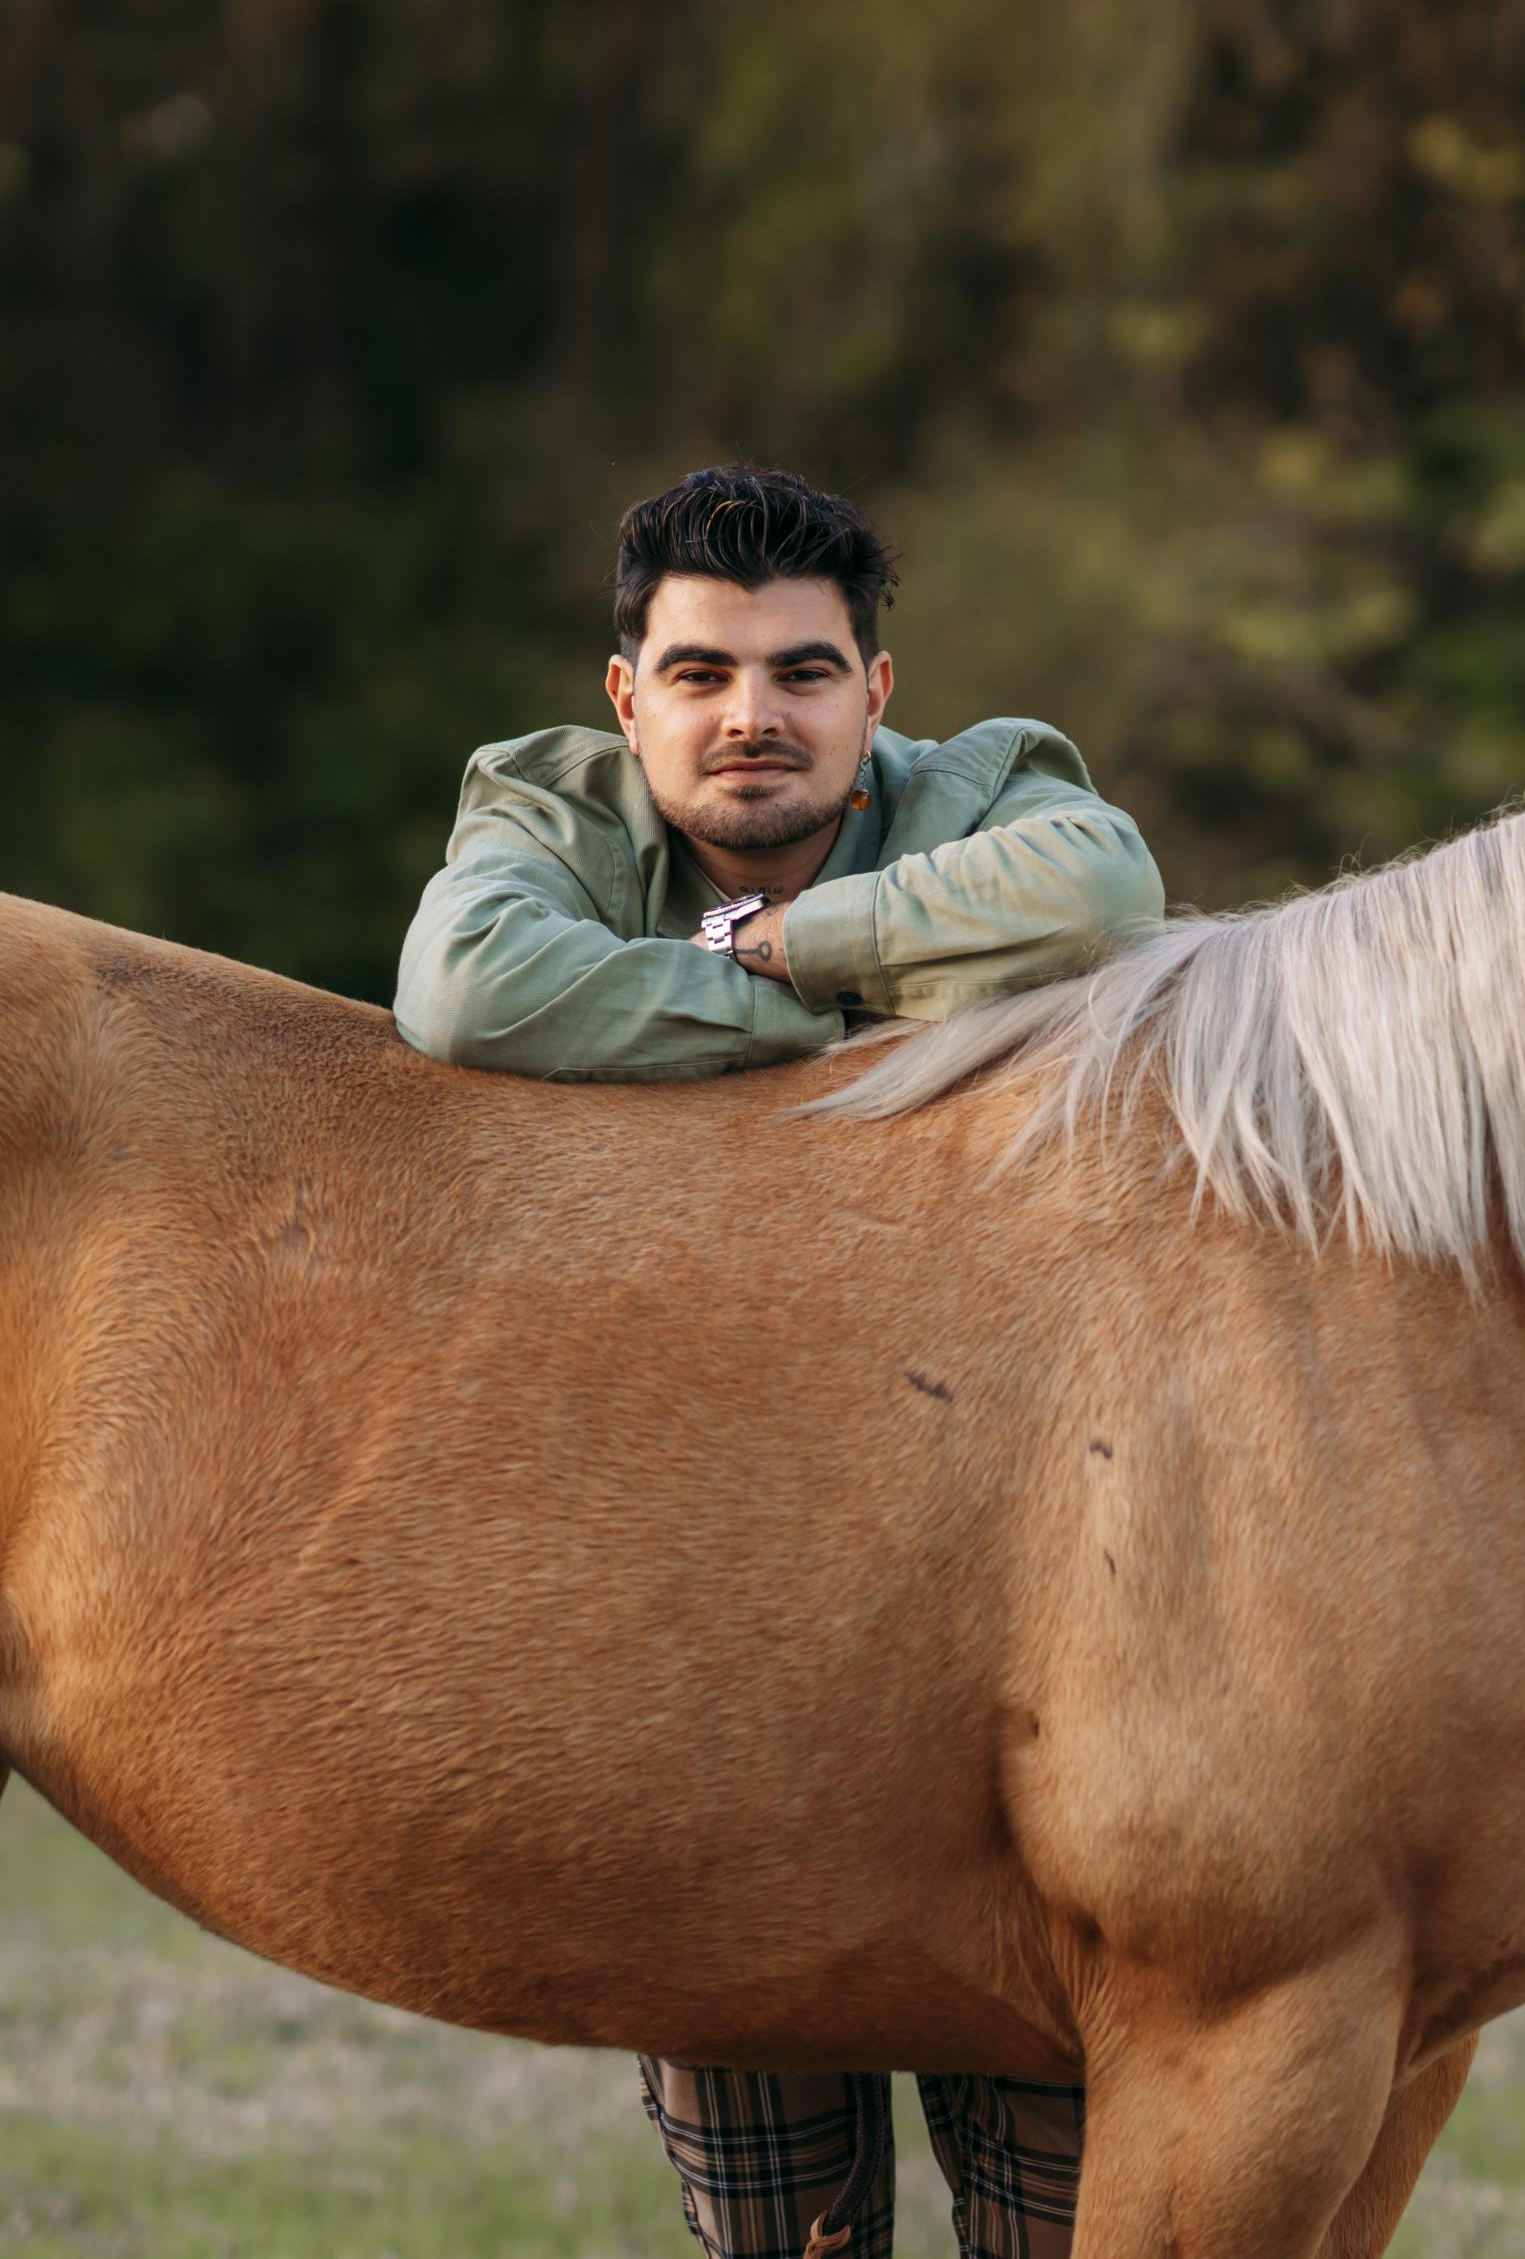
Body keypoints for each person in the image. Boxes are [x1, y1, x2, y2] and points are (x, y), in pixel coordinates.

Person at [393, 464, 1161, 2259]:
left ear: (878, 693)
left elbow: (1106, 892)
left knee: (1052, 2221)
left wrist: (770, 940)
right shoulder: (544, 805)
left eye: (806, 673)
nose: (755, 719)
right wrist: (851, 1010)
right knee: (783, 2239)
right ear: (626, 695)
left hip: (1013, 1575)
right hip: (720, 1623)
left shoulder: (992, 789)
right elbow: (468, 992)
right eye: (704, 674)